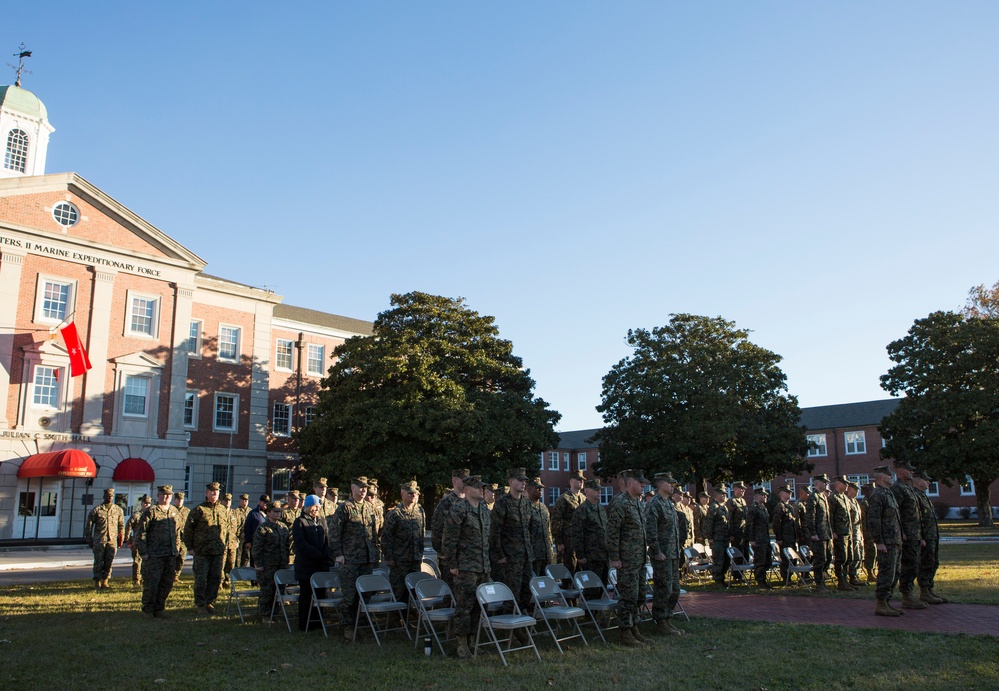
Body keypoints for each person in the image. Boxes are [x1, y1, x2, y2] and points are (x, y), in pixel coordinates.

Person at [441, 474, 491, 660]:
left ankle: (472, 641)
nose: (481, 490)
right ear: (467, 490)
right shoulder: (459, 510)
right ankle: (461, 644)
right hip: (465, 568)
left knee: (479, 606)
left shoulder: (484, 510)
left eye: (482, 487)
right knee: (464, 607)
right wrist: (452, 564)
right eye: (478, 487)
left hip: (483, 567)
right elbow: (449, 540)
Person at [330, 476, 380, 641]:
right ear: (352, 488)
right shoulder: (345, 507)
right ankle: (348, 627)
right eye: (360, 487)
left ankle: (361, 625)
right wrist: (338, 554)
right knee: (349, 596)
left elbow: (373, 533)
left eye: (365, 488)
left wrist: (374, 552)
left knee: (365, 595)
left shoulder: (369, 507)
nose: (363, 490)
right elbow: (334, 532)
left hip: (366, 559)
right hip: (350, 559)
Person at [607, 469, 649, 647]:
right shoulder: (620, 503)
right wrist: (615, 557)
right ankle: (625, 631)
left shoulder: (638, 503)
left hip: (639, 558)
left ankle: (634, 627)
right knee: (628, 595)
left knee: (639, 595)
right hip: (626, 559)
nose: (643, 485)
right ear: (630, 484)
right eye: (640, 483)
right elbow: (612, 532)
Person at [490, 467, 536, 626]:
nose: (524, 483)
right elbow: (495, 532)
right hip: (510, 557)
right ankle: (509, 624)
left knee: (527, 590)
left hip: (526, 556)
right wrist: (500, 555)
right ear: (511, 482)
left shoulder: (526, 503)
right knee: (511, 592)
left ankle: (519, 620)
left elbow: (530, 529)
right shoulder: (502, 503)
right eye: (520, 480)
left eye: (525, 480)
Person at [182, 481, 230, 614]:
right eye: (212, 492)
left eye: (217, 492)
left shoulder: (222, 509)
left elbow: (226, 529)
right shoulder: (199, 510)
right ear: (206, 493)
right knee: (201, 579)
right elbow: (188, 530)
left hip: (217, 551)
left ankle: (210, 602)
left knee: (215, 578)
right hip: (202, 551)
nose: (214, 494)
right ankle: (200, 604)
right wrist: (190, 547)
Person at [645, 473, 683, 636]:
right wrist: (656, 551)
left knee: (675, 588)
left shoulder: (669, 503)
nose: (673, 486)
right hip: (662, 555)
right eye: (670, 483)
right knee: (663, 588)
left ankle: (667, 617)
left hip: (673, 554)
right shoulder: (655, 504)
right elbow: (651, 531)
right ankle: (660, 620)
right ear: (661, 485)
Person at [135, 485, 181, 618]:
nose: (166, 497)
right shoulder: (151, 511)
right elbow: (141, 533)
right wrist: (143, 552)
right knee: (152, 583)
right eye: (164, 494)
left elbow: (177, 532)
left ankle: (159, 608)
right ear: (158, 496)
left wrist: (176, 548)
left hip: (170, 554)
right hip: (154, 555)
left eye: (169, 495)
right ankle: (148, 609)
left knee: (167, 583)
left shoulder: (173, 511)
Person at [292, 494, 332, 631]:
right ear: (307, 507)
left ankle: (318, 622)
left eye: (318, 506)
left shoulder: (321, 520)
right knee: (307, 595)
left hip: (321, 565)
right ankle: (305, 624)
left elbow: (327, 539)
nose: (316, 509)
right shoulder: (300, 522)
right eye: (314, 506)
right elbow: (301, 543)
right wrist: (316, 554)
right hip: (306, 565)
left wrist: (326, 554)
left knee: (320, 594)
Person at [382, 480, 426, 604]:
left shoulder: (420, 511)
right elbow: (386, 537)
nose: (413, 496)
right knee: (399, 592)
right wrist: (389, 557)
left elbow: (421, 534)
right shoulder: (395, 513)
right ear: (402, 494)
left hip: (415, 559)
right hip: (399, 560)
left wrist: (420, 554)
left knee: (414, 592)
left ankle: (410, 617)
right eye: (410, 493)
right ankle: (396, 619)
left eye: (415, 494)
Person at [867, 466, 903, 617]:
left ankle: (887, 602)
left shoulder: (889, 493)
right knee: (886, 572)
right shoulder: (877, 495)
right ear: (882, 477)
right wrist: (879, 541)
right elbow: (874, 520)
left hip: (894, 539)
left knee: (895, 572)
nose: (892, 478)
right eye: (889, 476)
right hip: (886, 542)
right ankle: (881, 603)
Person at [891, 461, 927, 610]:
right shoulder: (898, 489)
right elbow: (895, 512)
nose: (911, 472)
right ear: (900, 471)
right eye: (908, 470)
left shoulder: (908, 488)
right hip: (907, 535)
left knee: (914, 564)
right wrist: (902, 532)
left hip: (914, 534)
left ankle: (910, 593)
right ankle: (907, 595)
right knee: (908, 565)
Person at [252, 501, 290, 624]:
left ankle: (275, 613)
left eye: (279, 511)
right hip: (267, 565)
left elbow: (287, 546)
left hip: (281, 563)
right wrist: (259, 564)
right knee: (267, 590)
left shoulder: (283, 527)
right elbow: (257, 548)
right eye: (275, 511)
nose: (278, 514)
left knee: (279, 589)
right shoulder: (263, 528)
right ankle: (265, 615)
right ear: (268, 513)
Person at [913, 471, 946, 604]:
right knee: (926, 563)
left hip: (931, 536)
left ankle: (929, 589)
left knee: (933, 562)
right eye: (925, 480)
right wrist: (920, 536)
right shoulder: (915, 496)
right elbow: (916, 519)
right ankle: (924, 591)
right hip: (925, 537)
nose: (928, 483)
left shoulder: (923, 496)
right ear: (917, 480)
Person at [431, 468, 468, 588]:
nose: (466, 483)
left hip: (468, 558)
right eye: (464, 480)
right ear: (455, 481)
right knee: (450, 593)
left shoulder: (470, 502)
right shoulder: (445, 504)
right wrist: (443, 553)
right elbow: (437, 531)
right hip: (450, 559)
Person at [571, 479, 609, 595]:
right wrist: (580, 555)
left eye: (600, 490)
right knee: (591, 590)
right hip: (590, 557)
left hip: (603, 555)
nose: (599, 492)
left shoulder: (601, 509)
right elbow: (576, 533)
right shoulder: (582, 510)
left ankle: (597, 613)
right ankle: (589, 613)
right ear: (587, 491)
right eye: (596, 490)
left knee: (603, 588)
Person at [85, 487, 124, 589]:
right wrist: (89, 539)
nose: (109, 498)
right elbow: (89, 525)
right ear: (104, 497)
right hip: (99, 540)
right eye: (107, 496)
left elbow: (121, 526)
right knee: (98, 561)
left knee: (109, 561)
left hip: (112, 540)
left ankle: (105, 581)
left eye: (111, 496)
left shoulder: (118, 510)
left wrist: (121, 539)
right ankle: (97, 581)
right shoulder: (97, 510)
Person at [551, 470, 586, 574]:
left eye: (582, 480)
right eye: (578, 479)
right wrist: (559, 541)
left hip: (581, 540)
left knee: (581, 570)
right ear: (571, 481)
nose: (581, 482)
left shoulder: (584, 498)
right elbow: (556, 520)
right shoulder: (564, 499)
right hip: (567, 539)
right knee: (569, 568)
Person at [805, 474, 833, 592]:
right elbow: (810, 516)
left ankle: (823, 581)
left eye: (826, 482)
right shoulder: (813, 497)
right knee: (820, 559)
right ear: (817, 483)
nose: (826, 484)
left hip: (825, 533)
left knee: (828, 558)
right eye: (824, 482)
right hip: (818, 534)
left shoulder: (823, 497)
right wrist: (813, 533)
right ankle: (819, 584)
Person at [829, 476, 855, 592]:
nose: (846, 486)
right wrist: (833, 531)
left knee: (849, 557)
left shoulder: (844, 498)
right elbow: (830, 516)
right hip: (839, 533)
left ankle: (846, 579)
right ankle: (841, 581)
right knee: (841, 558)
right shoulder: (833, 498)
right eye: (844, 483)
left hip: (847, 532)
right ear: (837, 484)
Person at [744, 487, 772, 588]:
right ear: (757, 496)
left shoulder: (764, 508)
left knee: (767, 560)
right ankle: (760, 581)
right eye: (763, 495)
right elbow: (750, 525)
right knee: (760, 561)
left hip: (765, 538)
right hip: (758, 539)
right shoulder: (753, 508)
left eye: (766, 495)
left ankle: (763, 579)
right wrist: (751, 539)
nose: (765, 496)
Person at [527, 477, 554, 577]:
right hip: (533, 554)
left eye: (541, 488)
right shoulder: (525, 507)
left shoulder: (543, 508)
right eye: (537, 488)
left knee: (547, 584)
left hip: (546, 553)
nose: (540, 491)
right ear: (529, 489)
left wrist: (550, 549)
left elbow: (548, 530)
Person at [771, 485, 797, 584]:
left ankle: (790, 577)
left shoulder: (790, 507)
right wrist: (779, 538)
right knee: (786, 559)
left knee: (792, 559)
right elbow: (776, 524)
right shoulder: (780, 507)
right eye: (788, 492)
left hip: (792, 537)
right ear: (782, 493)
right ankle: (785, 578)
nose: (790, 493)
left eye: (790, 492)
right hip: (785, 538)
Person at [706, 485, 731, 587]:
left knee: (726, 560)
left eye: (725, 494)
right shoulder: (713, 507)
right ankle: (717, 580)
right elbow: (708, 524)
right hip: (717, 539)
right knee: (718, 560)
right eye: (722, 494)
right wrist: (710, 538)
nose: (724, 496)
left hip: (724, 538)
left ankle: (722, 578)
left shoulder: (724, 507)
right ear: (716, 495)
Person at [125, 494, 151, 587]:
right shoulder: (136, 515)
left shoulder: (151, 515)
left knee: (147, 562)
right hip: (137, 542)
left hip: (148, 542)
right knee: (137, 561)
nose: (146, 505)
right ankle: (136, 580)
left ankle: (145, 579)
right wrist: (128, 541)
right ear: (142, 503)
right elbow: (128, 527)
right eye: (145, 503)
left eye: (148, 503)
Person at [727, 481, 749, 581]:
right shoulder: (731, 502)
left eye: (744, 489)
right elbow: (729, 519)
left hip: (743, 532)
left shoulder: (743, 501)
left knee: (745, 554)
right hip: (736, 533)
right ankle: (736, 575)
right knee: (738, 554)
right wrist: (731, 533)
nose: (743, 490)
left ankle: (742, 574)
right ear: (735, 489)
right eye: (741, 488)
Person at [846, 482, 866, 588]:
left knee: (859, 555)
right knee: (854, 556)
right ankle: (852, 577)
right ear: (850, 489)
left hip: (858, 533)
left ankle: (856, 575)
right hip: (852, 533)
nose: (857, 491)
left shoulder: (855, 502)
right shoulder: (847, 501)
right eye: (855, 489)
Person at [242, 495, 270, 569]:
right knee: (254, 561)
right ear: (260, 502)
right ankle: (254, 579)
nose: (265, 505)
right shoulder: (253, 513)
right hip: (255, 541)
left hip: (266, 542)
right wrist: (248, 541)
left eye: (267, 503)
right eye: (264, 503)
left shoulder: (269, 513)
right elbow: (247, 527)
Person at [221, 493, 240, 588]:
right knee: (221, 563)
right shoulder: (219, 512)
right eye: (226, 500)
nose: (228, 502)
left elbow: (238, 527)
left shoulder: (234, 513)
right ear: (222, 501)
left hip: (232, 543)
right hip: (222, 543)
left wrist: (237, 540)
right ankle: (219, 581)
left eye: (229, 500)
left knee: (231, 563)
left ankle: (227, 581)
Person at [171, 491, 190, 582]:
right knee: (172, 558)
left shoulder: (187, 511)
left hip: (183, 539)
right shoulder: (170, 510)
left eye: (181, 500)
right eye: (178, 499)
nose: (180, 501)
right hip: (172, 539)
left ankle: (176, 575)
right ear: (174, 500)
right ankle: (169, 575)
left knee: (181, 558)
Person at [859, 484, 877, 582]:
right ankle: (870, 573)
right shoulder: (864, 503)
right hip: (868, 534)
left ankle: (873, 571)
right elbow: (864, 521)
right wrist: (866, 534)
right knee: (870, 553)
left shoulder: (871, 502)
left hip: (873, 533)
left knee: (874, 553)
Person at [280, 490, 301, 564]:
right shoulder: (284, 513)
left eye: (297, 499)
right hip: (287, 547)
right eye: (293, 499)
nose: (296, 501)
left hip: (299, 547)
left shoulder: (302, 512)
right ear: (288, 499)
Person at [235, 494, 250, 568]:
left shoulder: (250, 511)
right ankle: (237, 569)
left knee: (246, 554)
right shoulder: (236, 511)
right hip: (239, 535)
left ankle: (243, 568)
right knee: (238, 553)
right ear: (240, 500)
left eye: (246, 500)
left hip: (247, 536)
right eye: (243, 500)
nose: (245, 502)